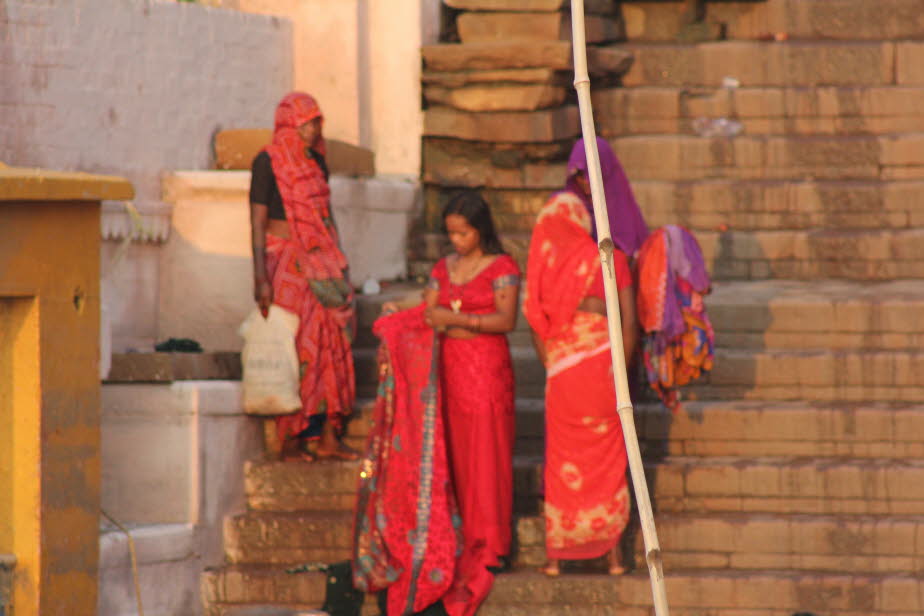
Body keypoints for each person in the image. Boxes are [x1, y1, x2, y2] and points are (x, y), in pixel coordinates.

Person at [354, 191, 520, 616]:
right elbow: (427, 309)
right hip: (447, 374)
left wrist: (457, 320)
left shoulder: (502, 268)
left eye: (463, 232)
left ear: (480, 229)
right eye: (451, 233)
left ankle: (492, 544)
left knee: (487, 458)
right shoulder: (444, 268)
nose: (457, 240)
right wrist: (399, 311)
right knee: (456, 459)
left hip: (486, 373)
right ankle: (460, 535)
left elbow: (507, 320)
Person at [523, 151, 639, 577]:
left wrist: (555, 364)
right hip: (603, 373)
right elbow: (629, 324)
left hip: (563, 377)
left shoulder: (545, 272)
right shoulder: (610, 259)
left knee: (562, 462)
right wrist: (619, 375)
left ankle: (556, 559)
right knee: (608, 462)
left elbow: (536, 325)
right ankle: (614, 557)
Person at [248, 92, 358, 461]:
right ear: (289, 124)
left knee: (333, 345)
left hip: (322, 262)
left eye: (316, 123)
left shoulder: (317, 163)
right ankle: (292, 440)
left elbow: (327, 218)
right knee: (297, 348)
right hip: (286, 263)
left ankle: (329, 435)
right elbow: (257, 221)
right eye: (306, 123)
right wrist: (260, 276)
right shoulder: (267, 162)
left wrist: (340, 263)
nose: (312, 130)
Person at [566, 136, 649, 260]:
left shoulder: (621, 208)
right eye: (580, 175)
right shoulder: (566, 207)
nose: (586, 181)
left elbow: (632, 253)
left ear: (605, 170)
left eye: (590, 174)